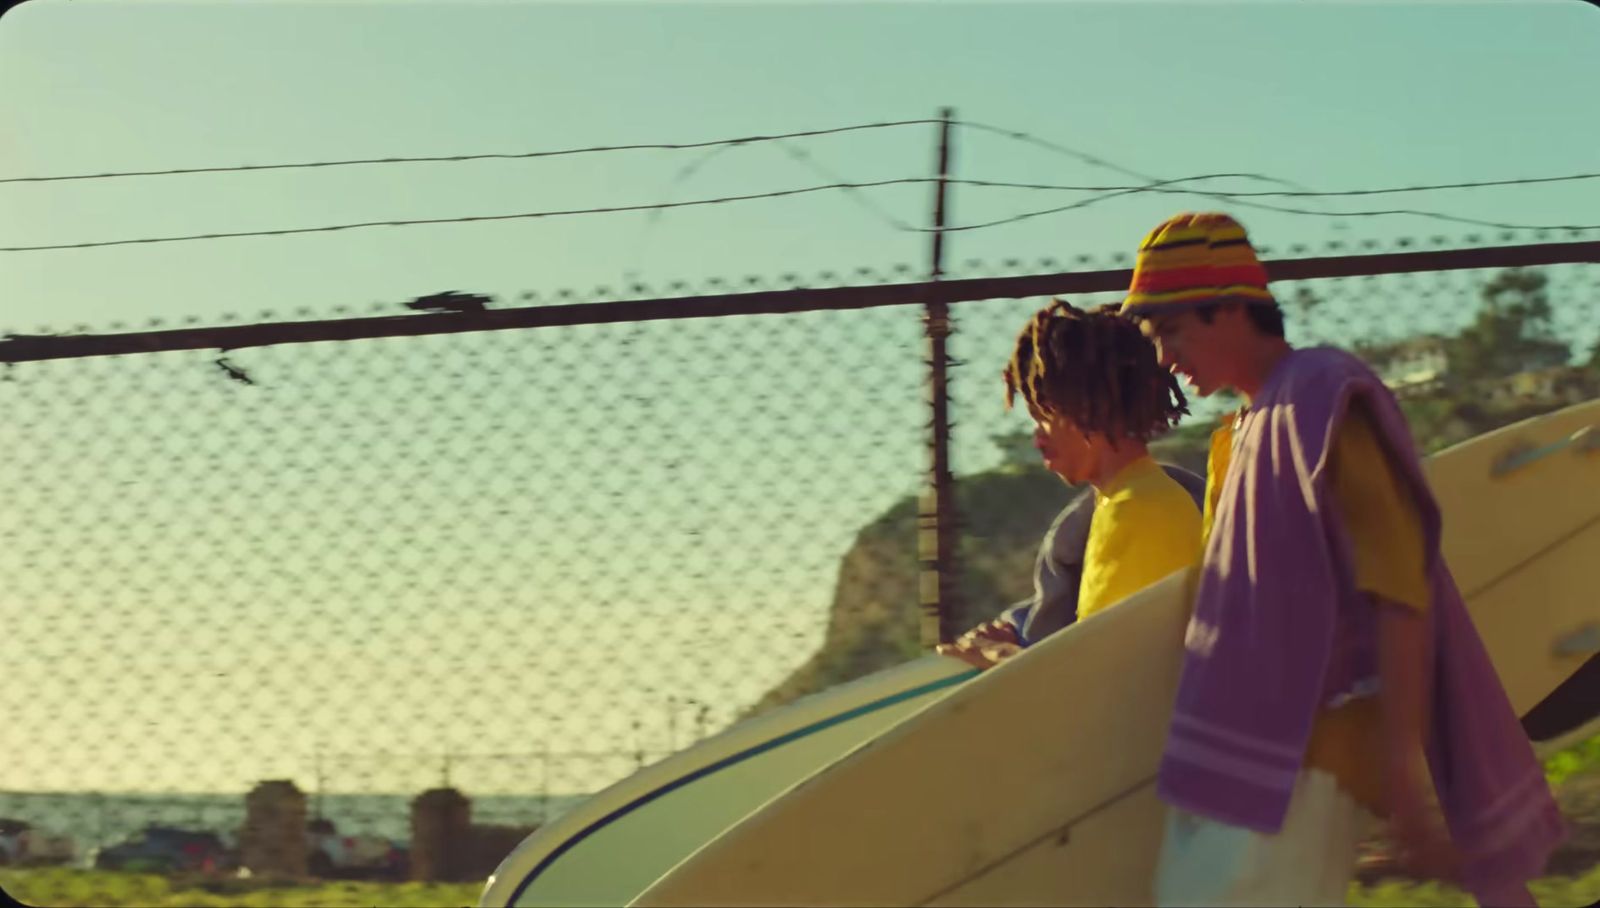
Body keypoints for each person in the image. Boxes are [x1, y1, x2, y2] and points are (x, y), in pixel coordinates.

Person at [1122, 212, 1566, 907]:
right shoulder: (1242, 434)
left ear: (1233, 308)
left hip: (1300, 752)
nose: (1164, 358)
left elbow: (1402, 590)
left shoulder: (1322, 402)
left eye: (1171, 330)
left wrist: (1400, 769)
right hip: (1239, 753)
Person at [939, 301, 1205, 671]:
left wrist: (997, 657)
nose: (1037, 439)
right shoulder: (1123, 502)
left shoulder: (1143, 511)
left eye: (1043, 417)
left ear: (1086, 408)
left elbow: (1113, 680)